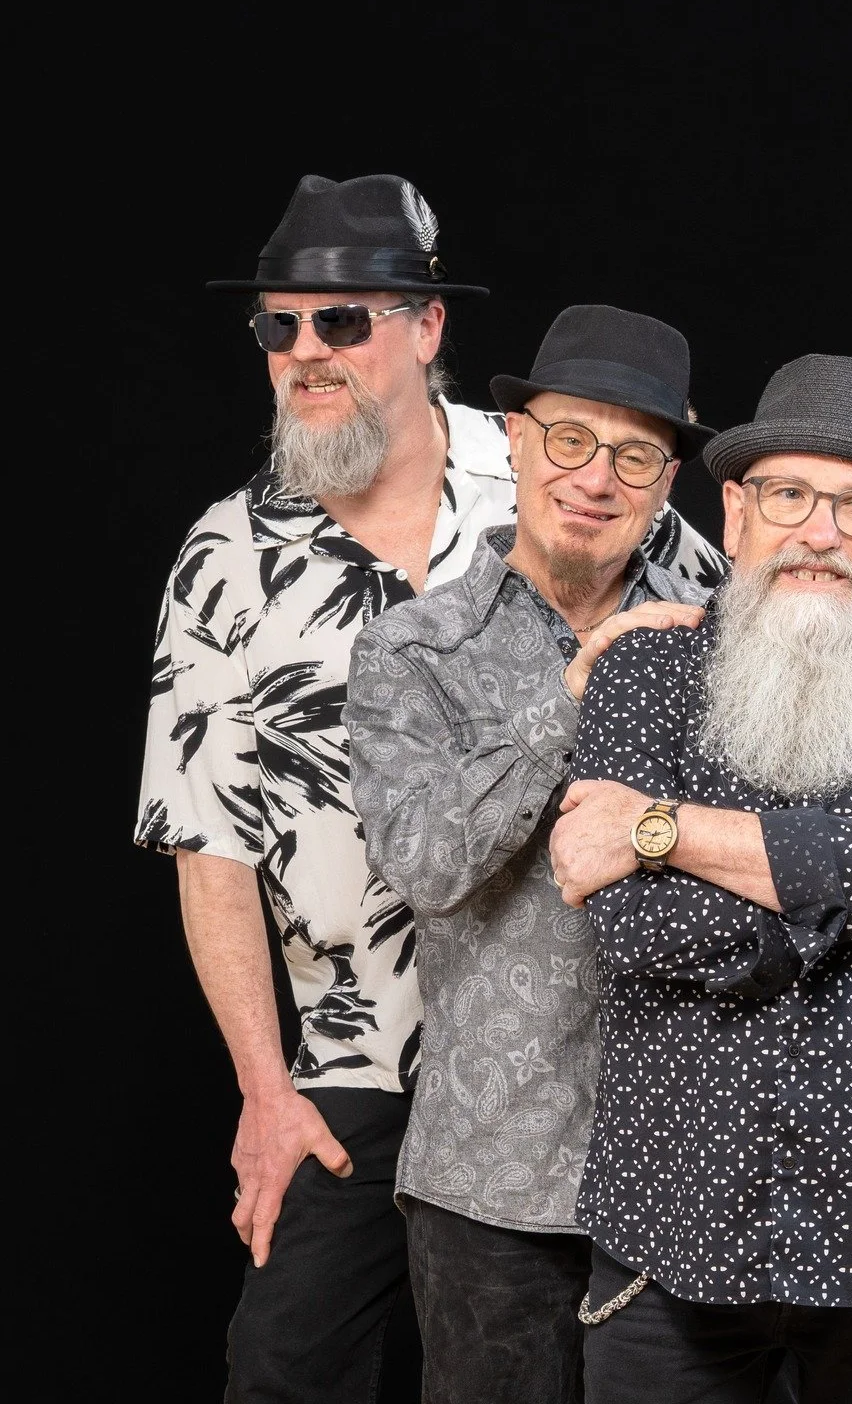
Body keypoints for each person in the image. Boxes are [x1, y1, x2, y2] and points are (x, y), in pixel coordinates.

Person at [134, 176, 727, 1404]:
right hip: (358, 1044)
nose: (306, 353)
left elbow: (744, 636)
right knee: (282, 1367)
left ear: (426, 328)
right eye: (279, 327)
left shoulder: (567, 461)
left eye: (340, 322)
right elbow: (208, 845)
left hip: (566, 1043)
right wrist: (265, 1088)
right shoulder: (225, 558)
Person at [547, 353, 852, 1403]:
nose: (819, 532)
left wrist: (661, 827)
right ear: (735, 514)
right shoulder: (642, 673)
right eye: (789, 494)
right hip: (669, 1232)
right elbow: (634, 932)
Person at [342, 303, 724, 1404]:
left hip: (686, 1174)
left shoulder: (724, 638)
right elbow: (422, 865)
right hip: (492, 1182)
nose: (596, 476)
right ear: (512, 438)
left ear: (667, 479)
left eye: (635, 452)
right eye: (570, 437)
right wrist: (578, 690)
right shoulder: (414, 650)